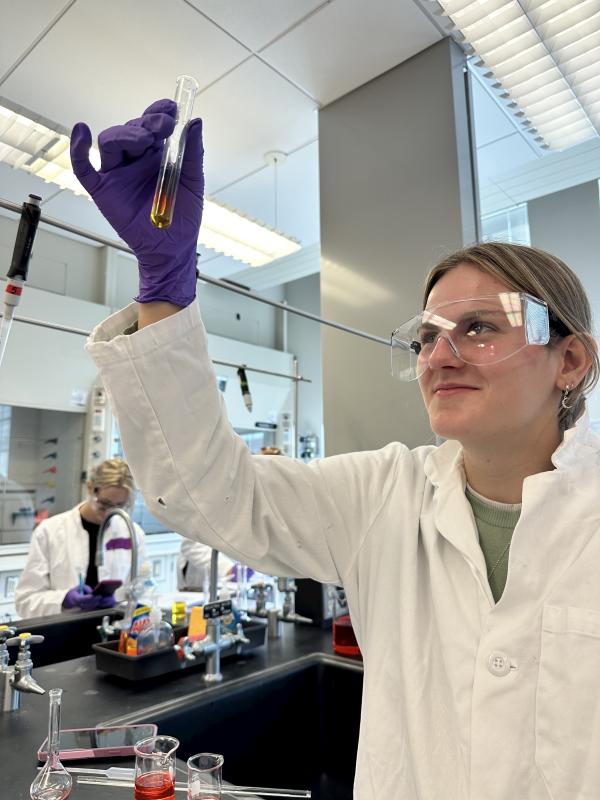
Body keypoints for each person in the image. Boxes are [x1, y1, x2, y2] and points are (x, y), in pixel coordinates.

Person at [73, 100, 599, 799]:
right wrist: (165, 288)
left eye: (479, 327)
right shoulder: (384, 497)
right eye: (425, 337)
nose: (439, 356)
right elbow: (210, 492)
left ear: (570, 361)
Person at [16, 458, 146, 618]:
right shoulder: (50, 531)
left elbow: (141, 590)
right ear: (90, 488)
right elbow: (25, 601)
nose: (110, 512)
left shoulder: (132, 533)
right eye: (104, 503)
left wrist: (119, 602)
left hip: (113, 631)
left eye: (119, 506)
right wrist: (64, 599)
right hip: (63, 631)